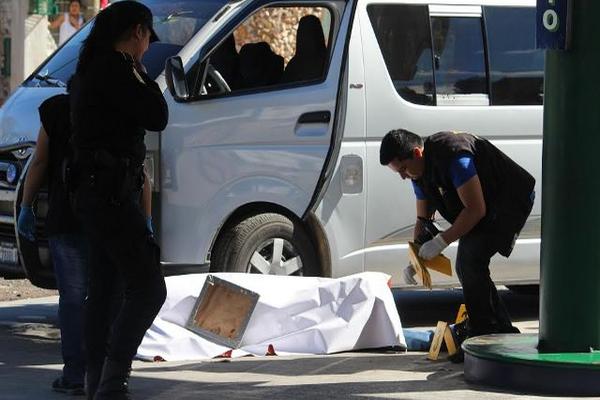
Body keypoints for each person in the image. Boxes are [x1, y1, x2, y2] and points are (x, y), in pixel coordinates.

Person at [17, 84, 155, 396]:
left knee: (73, 299)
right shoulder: (123, 110)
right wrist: (146, 217)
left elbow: (39, 162)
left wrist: (26, 206)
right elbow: (141, 172)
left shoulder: (56, 112)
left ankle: (75, 374)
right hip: (115, 219)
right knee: (109, 297)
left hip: (68, 217)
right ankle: (106, 373)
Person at [69, 2, 167, 399]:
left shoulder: (89, 69)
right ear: (138, 32)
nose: (146, 49)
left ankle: (98, 381)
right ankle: (114, 380)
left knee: (105, 289)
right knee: (149, 288)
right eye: (146, 39)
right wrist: (145, 77)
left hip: (93, 193)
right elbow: (158, 115)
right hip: (109, 195)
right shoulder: (118, 68)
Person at [379, 129, 535, 345]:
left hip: (509, 198)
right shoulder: (418, 173)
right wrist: (416, 258)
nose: (403, 176)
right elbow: (422, 220)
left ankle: (484, 333)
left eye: (404, 169)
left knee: (469, 259)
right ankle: (499, 330)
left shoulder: (453, 155)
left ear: (417, 153)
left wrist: (441, 241)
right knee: (470, 263)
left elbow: (475, 210)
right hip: (484, 206)